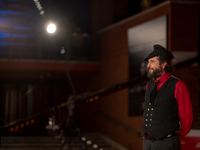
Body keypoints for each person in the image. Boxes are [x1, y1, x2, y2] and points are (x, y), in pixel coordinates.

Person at [141, 44, 193, 150]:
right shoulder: (149, 85)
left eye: (152, 61)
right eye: (148, 62)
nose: (148, 65)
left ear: (164, 64)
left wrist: (176, 136)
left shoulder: (178, 85)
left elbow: (186, 114)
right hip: (147, 143)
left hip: (167, 142)